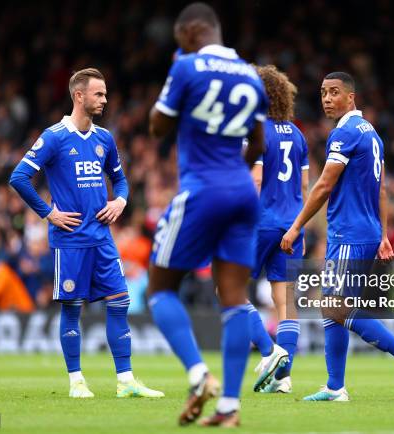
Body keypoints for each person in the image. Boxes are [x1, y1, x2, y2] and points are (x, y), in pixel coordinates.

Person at [9, 68, 163, 399]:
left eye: (105, 94)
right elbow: (19, 177)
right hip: (71, 241)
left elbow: (120, 179)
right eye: (99, 94)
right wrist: (48, 213)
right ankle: (76, 381)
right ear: (79, 96)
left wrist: (120, 200)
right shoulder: (53, 137)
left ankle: (126, 381)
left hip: (103, 238)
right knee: (72, 309)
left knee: (120, 303)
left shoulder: (104, 138)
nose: (105, 100)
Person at [148, 2, 267, 427]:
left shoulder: (187, 67)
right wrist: (234, 164)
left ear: (193, 31)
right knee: (235, 299)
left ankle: (199, 376)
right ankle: (229, 407)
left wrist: (177, 67)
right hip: (242, 192)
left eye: (180, 39)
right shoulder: (252, 76)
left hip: (203, 190)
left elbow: (158, 126)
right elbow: (259, 145)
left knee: (161, 288)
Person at [281, 72, 394, 401]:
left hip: (350, 233)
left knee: (334, 306)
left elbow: (323, 185)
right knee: (331, 307)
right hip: (359, 231)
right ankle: (335, 387)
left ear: (351, 98)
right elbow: (381, 190)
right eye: (323, 93)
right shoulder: (371, 134)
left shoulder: (345, 133)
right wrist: (384, 234)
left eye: (334, 92)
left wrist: (296, 227)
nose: (327, 98)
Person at [247, 65, 309, 394]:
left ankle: (269, 353)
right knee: (285, 301)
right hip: (291, 225)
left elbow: (256, 178)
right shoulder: (297, 134)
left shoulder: (257, 131)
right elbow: (305, 184)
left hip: (260, 222)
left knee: (226, 289)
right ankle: (284, 378)